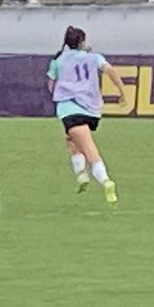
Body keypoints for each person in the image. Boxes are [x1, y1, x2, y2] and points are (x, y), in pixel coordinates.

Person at [47, 26, 129, 205]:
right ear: (82, 42)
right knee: (71, 139)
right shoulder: (94, 58)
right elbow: (110, 71)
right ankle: (81, 174)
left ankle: (106, 181)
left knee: (88, 147)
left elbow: (50, 84)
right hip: (91, 109)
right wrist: (122, 92)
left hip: (70, 108)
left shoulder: (58, 60)